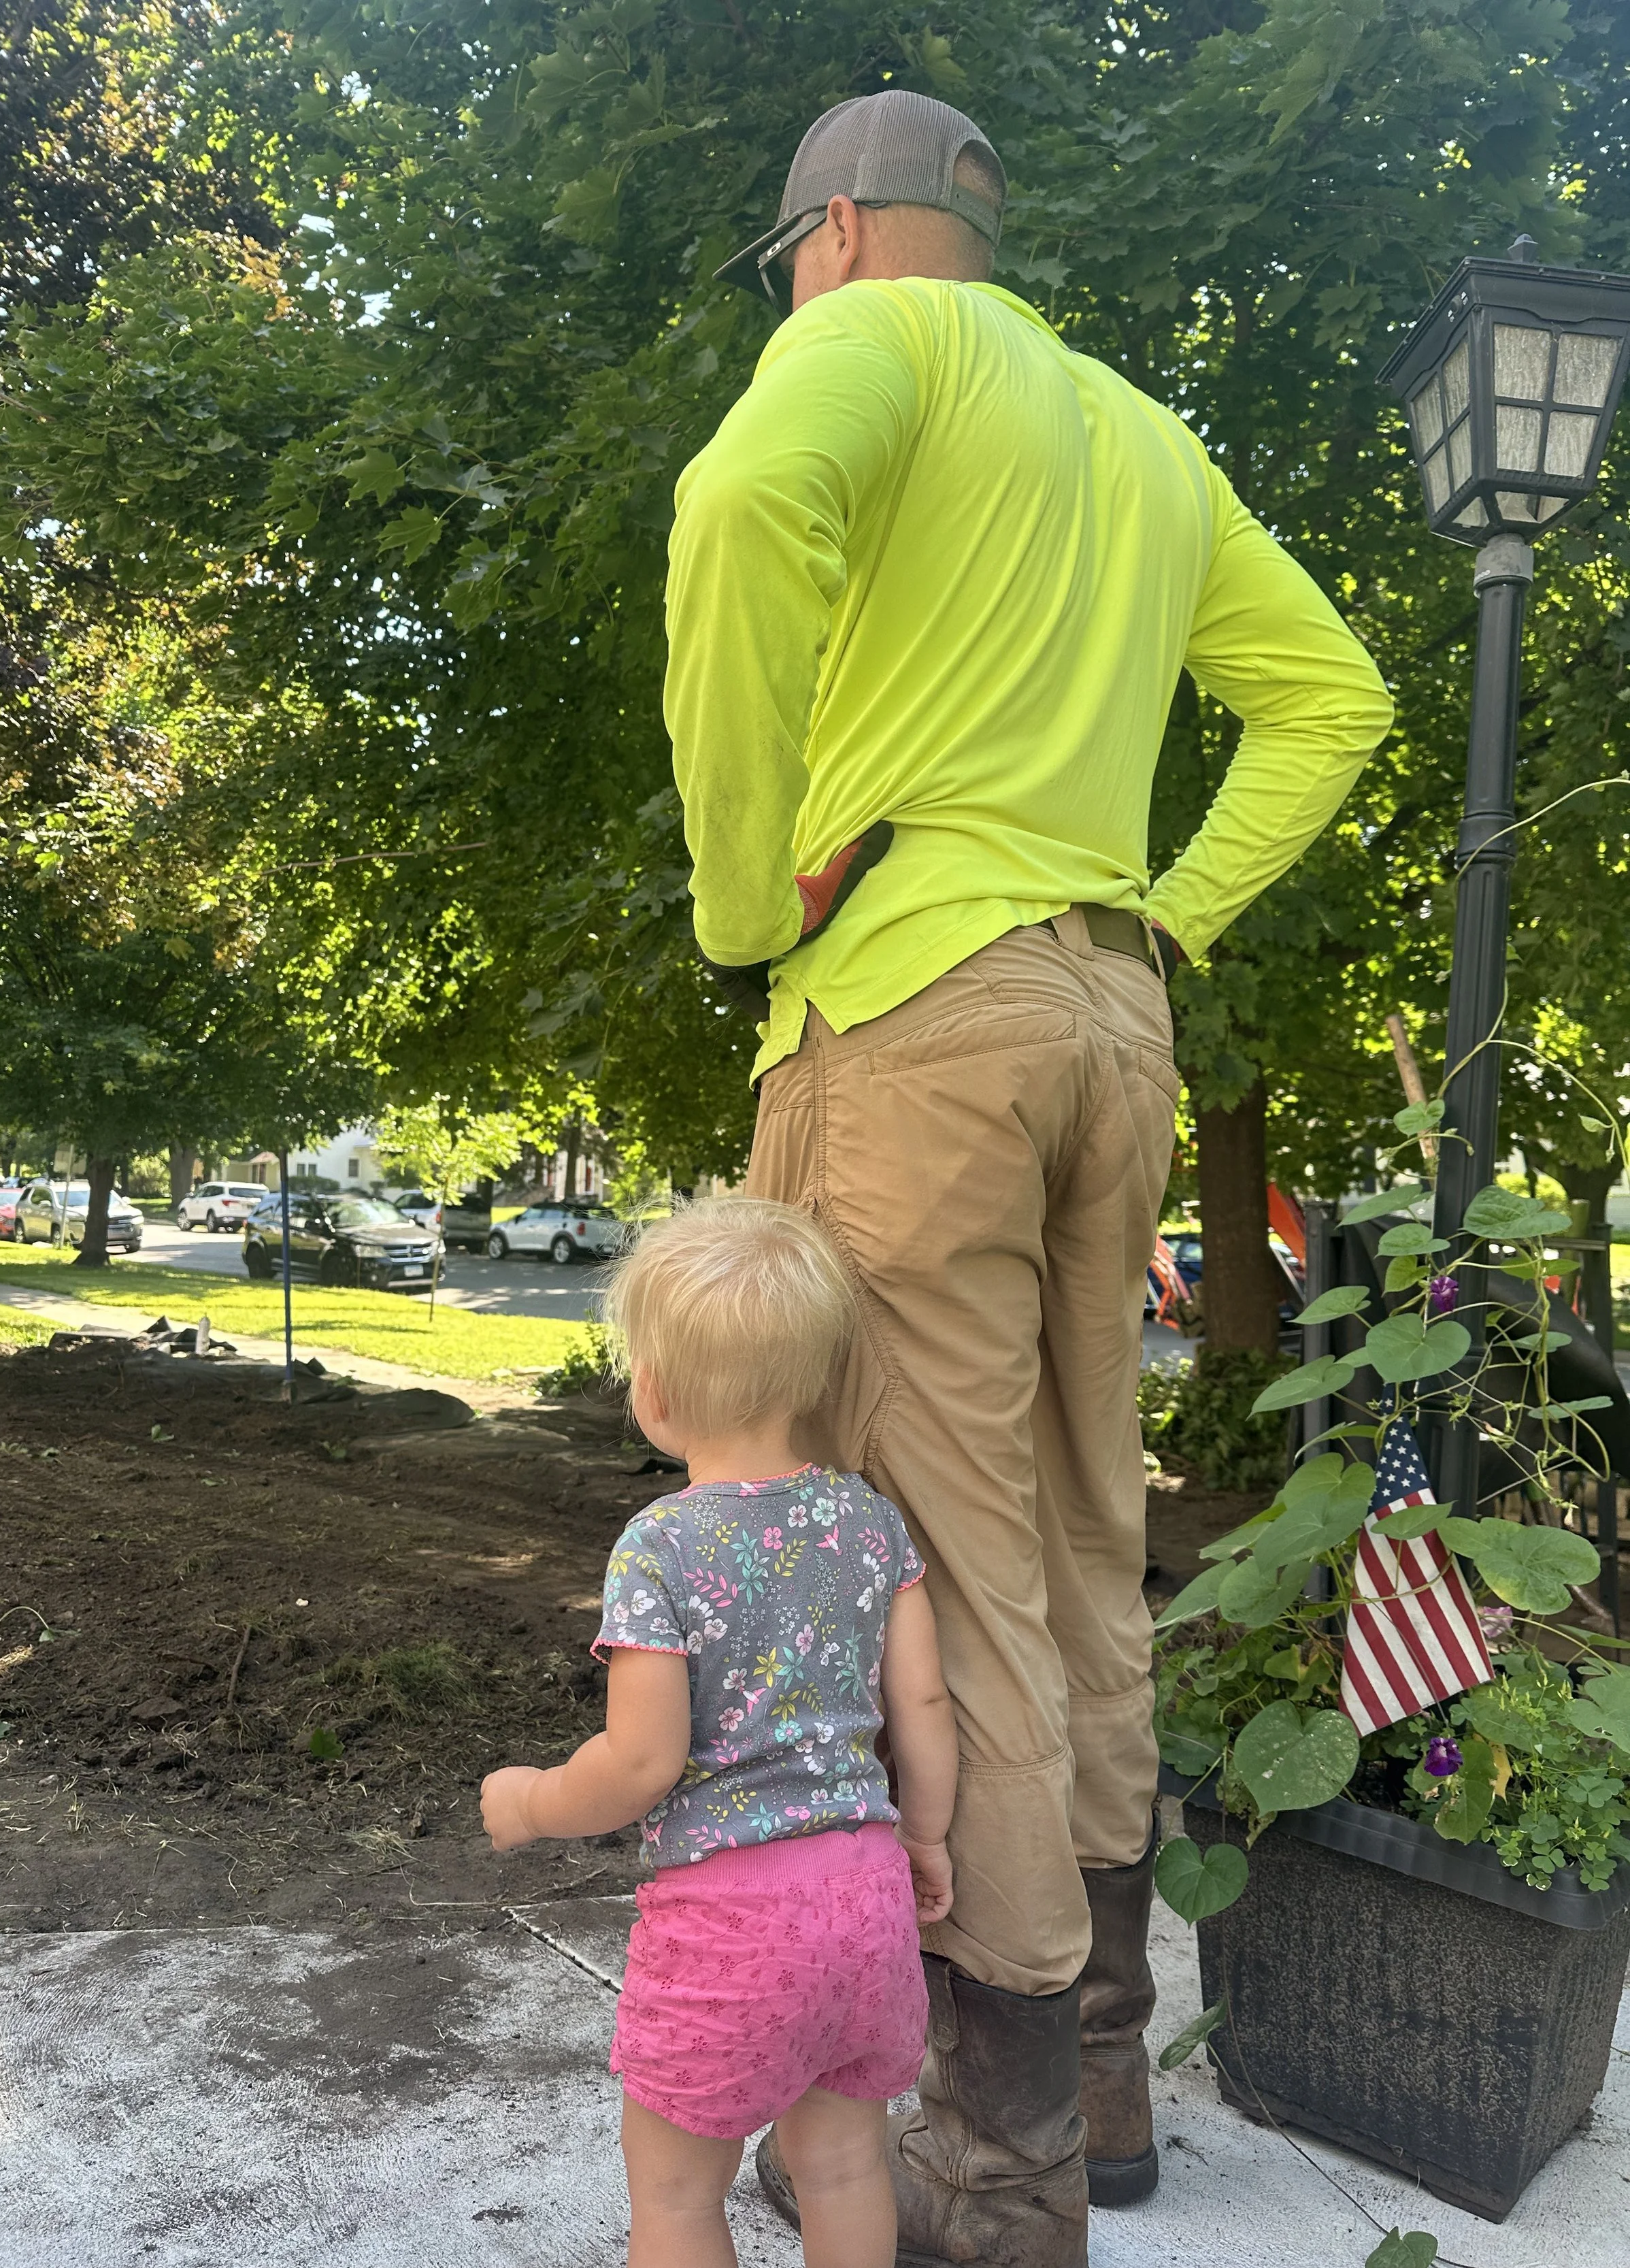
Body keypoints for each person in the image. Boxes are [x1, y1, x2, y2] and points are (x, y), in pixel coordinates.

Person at [664, 87, 1395, 2266]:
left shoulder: (869, 343)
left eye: (790, 265)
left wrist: (737, 908)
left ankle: (993, 2175)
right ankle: (1096, 2070)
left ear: (839, 238)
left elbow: (728, 524)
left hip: (913, 1016)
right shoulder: (1145, 440)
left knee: (946, 1570)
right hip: (1108, 1019)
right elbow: (1332, 697)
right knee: (1086, 1537)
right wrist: (1169, 907)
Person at [480, 1196, 961, 2268]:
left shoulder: (658, 1547)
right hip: (868, 1899)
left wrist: (529, 1802)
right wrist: (925, 1838)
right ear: (819, 1379)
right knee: (844, 2168)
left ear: (652, 1393)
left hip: (730, 1927)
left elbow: (642, 1762)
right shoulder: (869, 1518)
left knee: (679, 2195)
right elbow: (924, 1707)